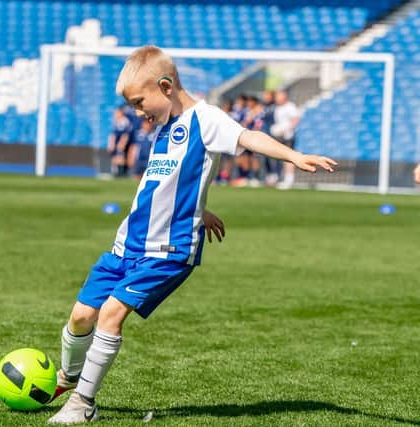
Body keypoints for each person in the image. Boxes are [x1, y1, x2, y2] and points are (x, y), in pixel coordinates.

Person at [47, 45, 336, 425]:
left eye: (139, 102)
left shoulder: (206, 119)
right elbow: (167, 183)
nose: (138, 113)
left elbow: (248, 137)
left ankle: (83, 404)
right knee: (81, 315)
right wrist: (200, 210)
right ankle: (66, 379)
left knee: (112, 314)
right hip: (126, 243)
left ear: (165, 87)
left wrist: (293, 157)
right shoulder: (164, 125)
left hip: (167, 251)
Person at [271, 90, 301, 189]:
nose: (277, 98)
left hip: (288, 136)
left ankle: (289, 180)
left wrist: (286, 130)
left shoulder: (290, 106)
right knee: (281, 157)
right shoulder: (278, 108)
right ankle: (278, 177)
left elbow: (295, 120)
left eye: (278, 96)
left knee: (289, 158)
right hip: (280, 136)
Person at [107, 107, 133, 177]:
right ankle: (116, 172)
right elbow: (114, 134)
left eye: (117, 113)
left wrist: (122, 143)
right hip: (116, 143)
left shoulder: (124, 121)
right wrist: (112, 143)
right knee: (115, 158)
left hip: (120, 143)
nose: (115, 114)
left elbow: (125, 134)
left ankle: (121, 173)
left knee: (120, 157)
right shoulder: (117, 122)